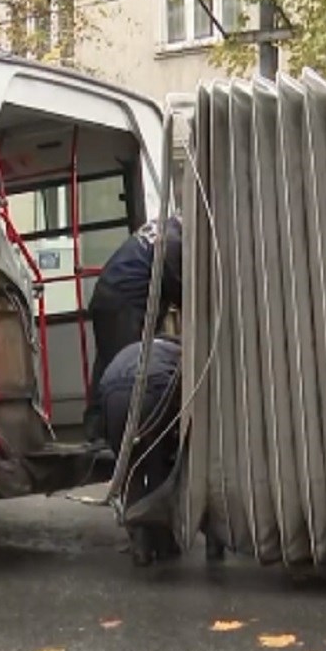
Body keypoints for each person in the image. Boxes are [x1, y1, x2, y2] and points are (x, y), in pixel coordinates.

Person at [84, 216, 184, 441]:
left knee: (107, 362)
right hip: (125, 302)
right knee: (124, 367)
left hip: (109, 296)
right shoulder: (174, 241)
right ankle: (109, 433)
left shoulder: (163, 227)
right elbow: (181, 288)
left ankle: (96, 428)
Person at [95, 333, 184, 566]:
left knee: (130, 471)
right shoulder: (178, 353)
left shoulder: (131, 348)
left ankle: (140, 545)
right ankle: (164, 543)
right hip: (151, 391)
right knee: (158, 468)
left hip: (113, 397)